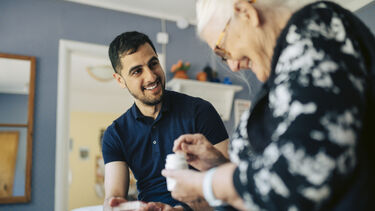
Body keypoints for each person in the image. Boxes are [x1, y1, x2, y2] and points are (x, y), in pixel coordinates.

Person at [162, 0, 375, 210]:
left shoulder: (319, 29)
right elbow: (265, 179)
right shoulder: (285, 70)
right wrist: (218, 165)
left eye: (223, 50)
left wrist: (207, 184)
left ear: (246, 12)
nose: (234, 64)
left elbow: (300, 174)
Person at [102, 31, 230, 211]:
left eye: (153, 64)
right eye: (137, 71)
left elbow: (229, 186)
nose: (151, 76)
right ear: (120, 80)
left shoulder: (200, 111)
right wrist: (116, 206)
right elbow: (114, 198)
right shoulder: (115, 134)